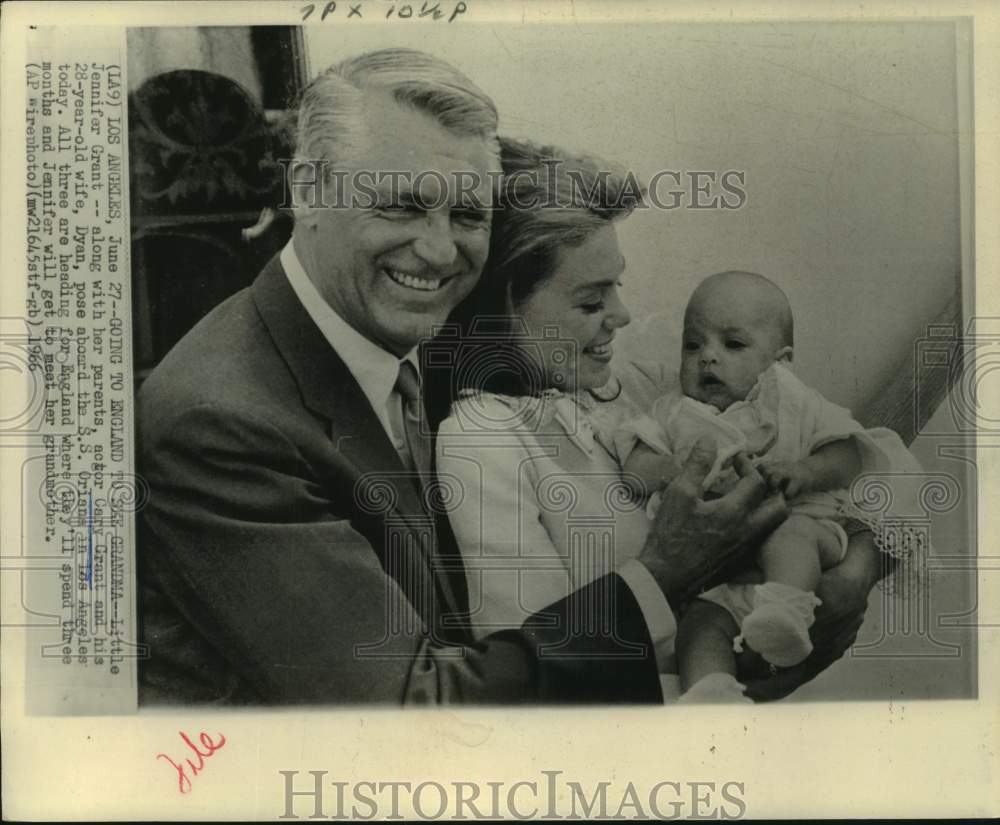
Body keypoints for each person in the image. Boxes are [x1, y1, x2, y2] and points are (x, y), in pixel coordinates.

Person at [137, 48, 783, 705]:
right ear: (309, 190)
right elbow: (408, 710)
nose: (442, 251)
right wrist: (665, 571)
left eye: (468, 215)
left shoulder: (416, 331)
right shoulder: (218, 420)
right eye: (400, 205)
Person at [436, 140, 887, 702]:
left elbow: (871, 457)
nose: (621, 317)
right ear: (506, 303)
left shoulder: (627, 385)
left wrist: (859, 567)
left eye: (617, 288)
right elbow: (529, 674)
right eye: (591, 301)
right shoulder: (481, 438)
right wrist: (673, 568)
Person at [613, 271, 922, 701]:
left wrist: (805, 472)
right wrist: (673, 466)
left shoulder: (795, 400)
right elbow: (634, 468)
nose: (707, 358)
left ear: (779, 362)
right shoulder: (673, 410)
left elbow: (851, 452)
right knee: (700, 624)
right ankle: (711, 696)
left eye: (733, 344)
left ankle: (785, 611)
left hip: (806, 538)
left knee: (789, 535)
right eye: (693, 344)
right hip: (721, 575)